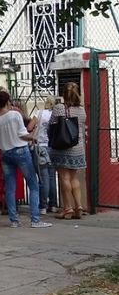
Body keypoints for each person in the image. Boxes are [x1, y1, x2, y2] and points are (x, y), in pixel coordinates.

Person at [0, 91, 52, 229]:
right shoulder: (14, 115)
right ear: (8, 102)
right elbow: (22, 135)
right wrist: (33, 135)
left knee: (9, 187)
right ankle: (35, 219)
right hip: (21, 151)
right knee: (33, 185)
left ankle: (14, 220)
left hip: (5, 153)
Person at [50, 83, 88, 220]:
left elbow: (51, 124)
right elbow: (82, 127)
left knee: (64, 177)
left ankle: (68, 208)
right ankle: (78, 206)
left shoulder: (59, 108)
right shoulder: (81, 110)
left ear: (63, 94)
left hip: (62, 147)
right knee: (73, 178)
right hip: (77, 147)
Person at [30, 97, 58, 214]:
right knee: (52, 176)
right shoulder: (55, 115)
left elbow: (29, 127)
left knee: (43, 177)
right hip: (52, 147)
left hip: (40, 147)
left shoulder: (39, 113)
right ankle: (53, 205)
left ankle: (43, 206)